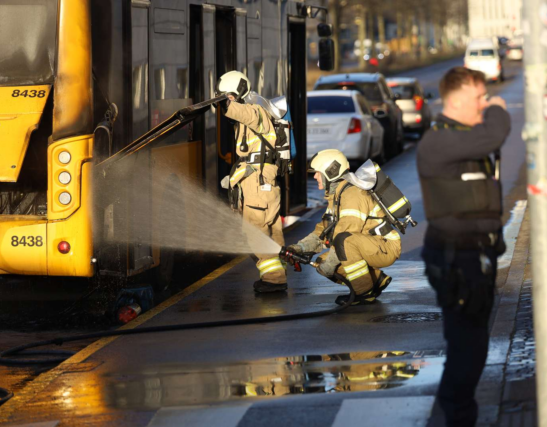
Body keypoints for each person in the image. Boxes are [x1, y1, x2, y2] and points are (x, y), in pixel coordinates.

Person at [417, 66, 510, 426]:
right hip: (457, 259)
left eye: (486, 98)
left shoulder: (460, 137)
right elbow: (496, 134)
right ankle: (454, 419)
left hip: (475, 258)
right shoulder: (439, 140)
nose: (484, 103)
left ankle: (457, 416)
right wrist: (497, 109)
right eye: (479, 98)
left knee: (471, 348)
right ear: (455, 101)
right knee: (467, 351)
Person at [289, 149, 400, 305]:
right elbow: (323, 230)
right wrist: (298, 248)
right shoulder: (337, 196)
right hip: (370, 245)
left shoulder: (353, 194)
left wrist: (330, 264)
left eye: (317, 173)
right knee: (323, 260)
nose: (314, 177)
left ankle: (364, 292)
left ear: (330, 172)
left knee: (342, 243)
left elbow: (347, 233)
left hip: (385, 246)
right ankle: (376, 280)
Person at [217, 71, 287, 293]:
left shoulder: (256, 111)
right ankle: (276, 277)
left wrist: (224, 103)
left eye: (228, 96)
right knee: (272, 229)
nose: (226, 100)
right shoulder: (261, 110)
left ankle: (273, 279)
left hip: (257, 182)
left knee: (254, 230)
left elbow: (241, 113)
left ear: (235, 94)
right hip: (262, 180)